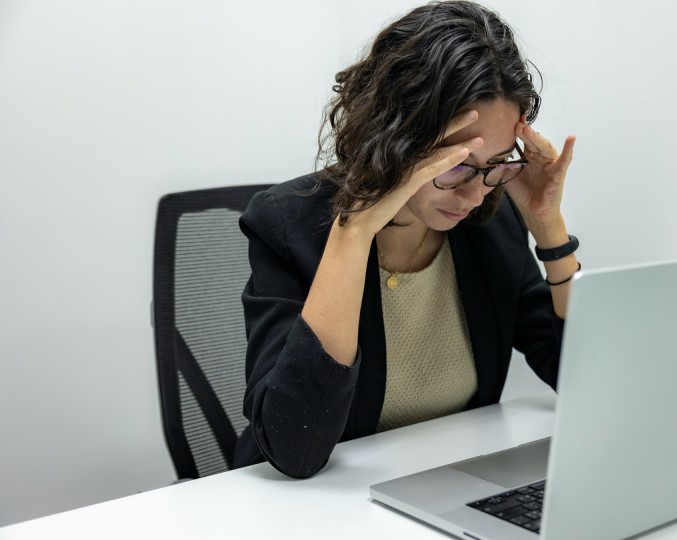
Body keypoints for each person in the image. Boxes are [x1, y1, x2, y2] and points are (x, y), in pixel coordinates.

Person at [233, 0, 580, 478]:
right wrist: (354, 233)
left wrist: (549, 230)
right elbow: (296, 448)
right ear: (393, 136)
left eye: (497, 164)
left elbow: (588, 383)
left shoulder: (489, 226)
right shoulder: (288, 224)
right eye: (455, 163)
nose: (474, 194)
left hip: (443, 487)